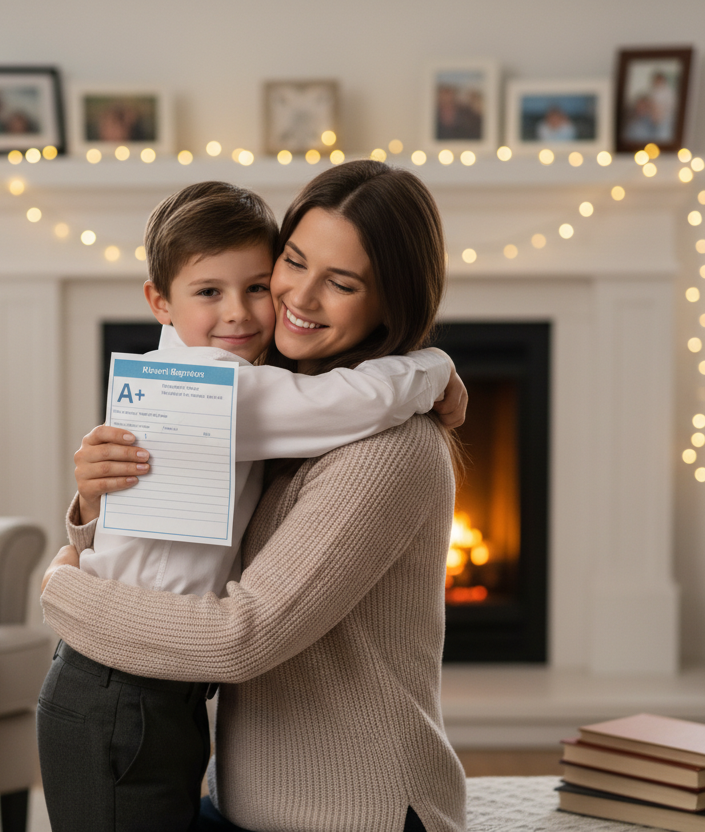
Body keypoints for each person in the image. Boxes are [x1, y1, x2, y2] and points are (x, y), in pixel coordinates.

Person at [41, 161, 469, 832]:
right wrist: (93, 510)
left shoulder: (383, 448)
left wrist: (64, 588)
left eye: (343, 282)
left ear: (391, 301)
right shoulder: (243, 398)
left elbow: (239, 636)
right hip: (240, 785)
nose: (298, 296)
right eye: (293, 263)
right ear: (162, 301)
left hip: (350, 813)